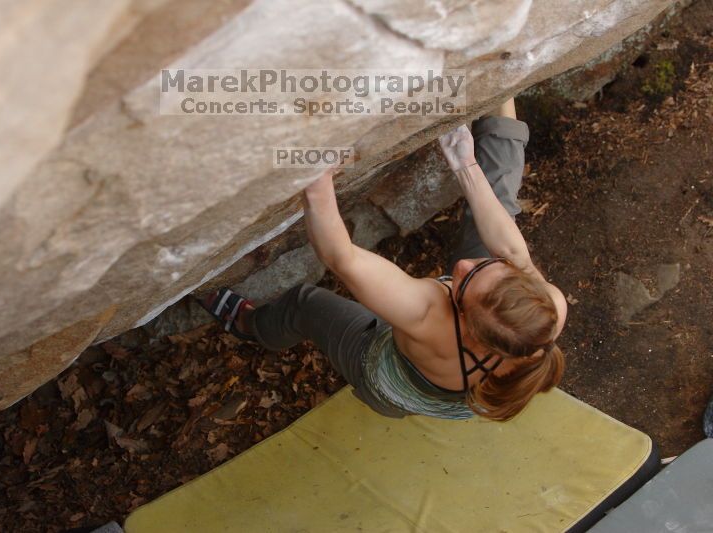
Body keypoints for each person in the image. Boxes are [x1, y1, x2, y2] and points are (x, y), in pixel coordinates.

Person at [199, 97, 568, 421]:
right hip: (468, 362)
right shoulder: (546, 311)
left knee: (304, 303)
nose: (462, 266)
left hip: (390, 383)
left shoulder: (427, 315)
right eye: (487, 267)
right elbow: (514, 251)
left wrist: (316, 175)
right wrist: (464, 163)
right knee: (498, 204)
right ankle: (504, 102)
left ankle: (249, 325)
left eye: (461, 284)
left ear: (467, 324)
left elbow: (341, 257)